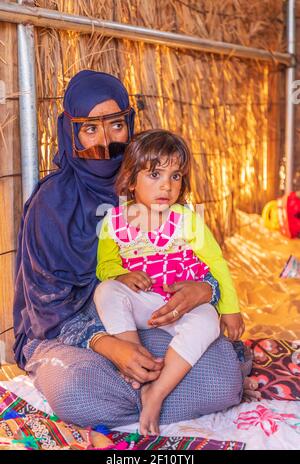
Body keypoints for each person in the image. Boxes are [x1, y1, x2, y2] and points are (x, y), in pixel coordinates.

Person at [12, 69, 258, 430]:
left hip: (143, 316)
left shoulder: (146, 181)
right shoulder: (53, 202)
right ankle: (149, 394)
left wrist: (206, 289)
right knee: (75, 389)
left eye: (116, 125)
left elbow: (186, 258)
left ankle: (146, 396)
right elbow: (47, 308)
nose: (107, 140)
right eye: (90, 128)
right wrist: (109, 346)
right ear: (71, 131)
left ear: (130, 124)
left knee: (221, 376)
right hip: (70, 337)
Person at [94, 129, 244, 435]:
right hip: (145, 303)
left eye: (175, 176)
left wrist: (230, 307)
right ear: (132, 181)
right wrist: (121, 276)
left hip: (182, 306)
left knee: (207, 320)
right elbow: (104, 266)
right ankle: (138, 361)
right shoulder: (114, 222)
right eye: (155, 174)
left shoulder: (186, 219)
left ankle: (156, 391)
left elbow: (215, 262)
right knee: (106, 291)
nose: (166, 185)